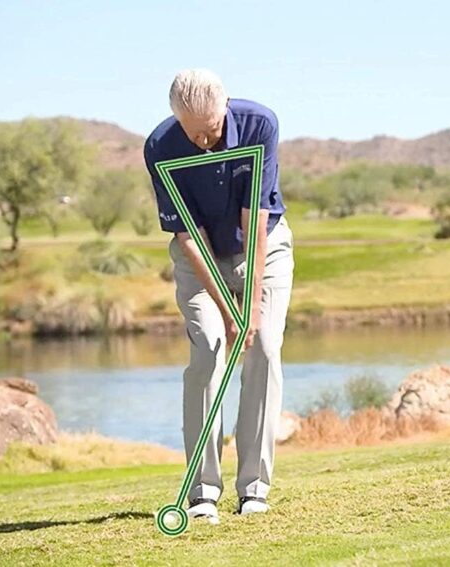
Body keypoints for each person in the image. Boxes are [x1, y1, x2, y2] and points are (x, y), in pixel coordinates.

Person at [143, 69, 294, 524]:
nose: (204, 141)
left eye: (210, 130)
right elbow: (189, 237)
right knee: (210, 350)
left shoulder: (259, 125)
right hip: (200, 256)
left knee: (264, 347)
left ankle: (254, 489)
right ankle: (203, 491)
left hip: (261, 245)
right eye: (194, 133)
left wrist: (247, 306)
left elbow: (255, 222)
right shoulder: (161, 148)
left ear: (224, 107)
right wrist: (228, 311)